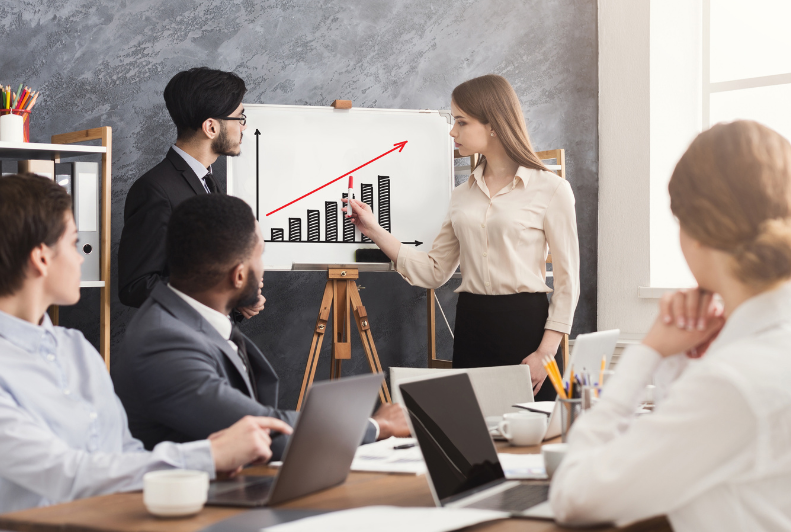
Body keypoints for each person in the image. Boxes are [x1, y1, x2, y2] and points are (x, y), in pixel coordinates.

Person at [0, 174, 292, 522]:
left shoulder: (74, 348)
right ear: (41, 259)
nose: (80, 257)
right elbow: (67, 474)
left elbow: (124, 452)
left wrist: (197, 474)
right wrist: (208, 455)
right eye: (74, 243)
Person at [550, 120, 791, 531]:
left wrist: (649, 352)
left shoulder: (733, 380)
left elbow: (574, 496)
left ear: (694, 233)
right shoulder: (756, 354)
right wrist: (682, 359)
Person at [113, 193, 409, 458]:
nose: (263, 268)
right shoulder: (165, 343)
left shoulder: (188, 318)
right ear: (238, 276)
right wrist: (376, 426)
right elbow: (264, 432)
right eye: (260, 256)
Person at [346, 74, 580, 399]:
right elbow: (434, 271)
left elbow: (568, 282)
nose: (452, 131)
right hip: (472, 326)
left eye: (461, 122)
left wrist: (546, 352)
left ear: (494, 124)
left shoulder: (551, 189)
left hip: (527, 330)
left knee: (531, 439)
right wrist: (373, 230)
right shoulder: (461, 196)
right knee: (473, 441)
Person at [118, 67, 261, 319]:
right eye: (240, 118)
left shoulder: (208, 180)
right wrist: (222, 290)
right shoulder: (155, 190)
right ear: (211, 127)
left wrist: (234, 303)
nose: (244, 128)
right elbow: (136, 286)